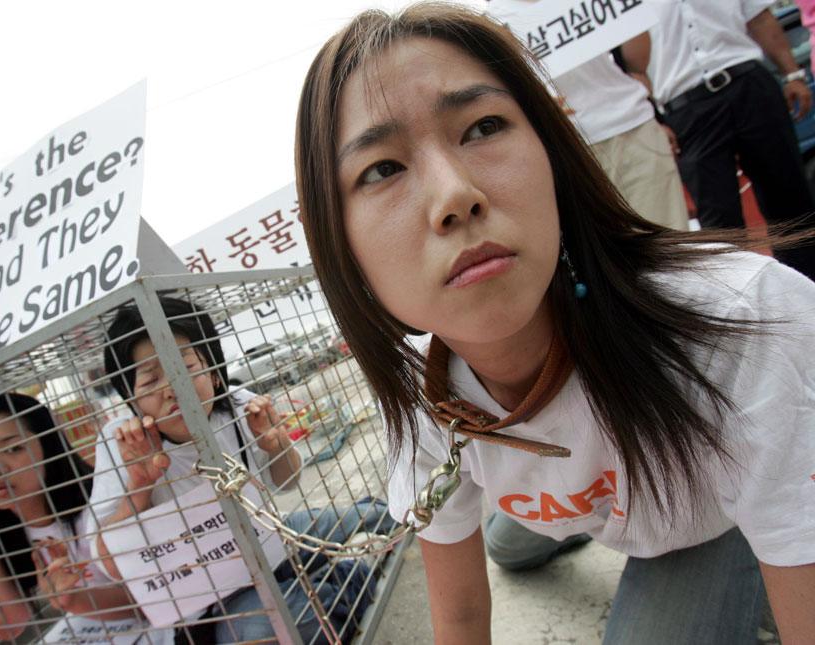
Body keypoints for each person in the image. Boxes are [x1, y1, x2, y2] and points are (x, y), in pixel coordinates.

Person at [294, 4, 815, 644]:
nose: (454, 195)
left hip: (707, 519)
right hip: (577, 508)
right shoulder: (416, 389)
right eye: (382, 168)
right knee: (508, 549)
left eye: (483, 126)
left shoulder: (746, 322)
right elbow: (457, 617)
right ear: (338, 244)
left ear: (553, 152)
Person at [88, 295, 391, 644]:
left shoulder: (239, 406)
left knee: (364, 516)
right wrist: (140, 482)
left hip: (267, 537)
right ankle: (345, 578)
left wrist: (274, 444)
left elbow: (290, 481)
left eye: (184, 367)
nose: (172, 388)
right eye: (149, 380)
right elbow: (109, 563)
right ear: (132, 399)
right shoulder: (121, 444)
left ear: (214, 373)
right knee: (291, 624)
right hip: (213, 597)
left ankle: (344, 558)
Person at [0, 392, 168, 643]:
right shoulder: (1, 532)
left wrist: (75, 601)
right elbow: (6, 627)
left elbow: (160, 596)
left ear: (48, 447)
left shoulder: (100, 505)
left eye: (13, 448)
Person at [622, 0, 815, 280]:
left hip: (749, 84)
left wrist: (792, 74)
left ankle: (808, 290)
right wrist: (654, 118)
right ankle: (747, 309)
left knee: (790, 202)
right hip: (686, 108)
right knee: (721, 227)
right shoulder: (623, 4)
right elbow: (631, 67)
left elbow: (759, 18)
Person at [485, 3, 689, 230]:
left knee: (669, 239)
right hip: (568, 150)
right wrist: (533, 104)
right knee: (607, 253)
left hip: (632, 126)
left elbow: (636, 63)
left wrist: (631, 15)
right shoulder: (493, 20)